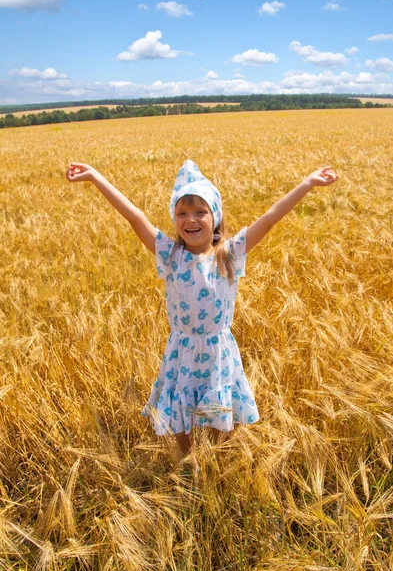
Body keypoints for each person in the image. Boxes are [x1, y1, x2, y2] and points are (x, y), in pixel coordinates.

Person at [66, 159, 338, 473]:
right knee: (180, 411)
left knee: (218, 413)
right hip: (182, 350)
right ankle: (188, 464)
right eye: (181, 213)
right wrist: (96, 177)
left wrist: (307, 183)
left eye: (200, 211)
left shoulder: (230, 254)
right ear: (174, 219)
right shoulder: (169, 255)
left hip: (218, 351)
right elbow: (133, 215)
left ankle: (216, 464)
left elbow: (271, 216)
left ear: (215, 216)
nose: (190, 220)